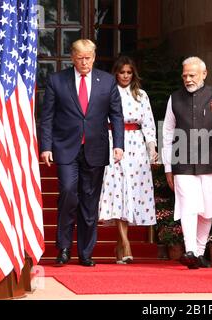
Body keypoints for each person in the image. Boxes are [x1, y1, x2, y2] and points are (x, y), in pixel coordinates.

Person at [40, 39, 124, 267]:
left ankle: (86, 252)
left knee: (89, 201)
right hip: (66, 147)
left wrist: (119, 144)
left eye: (89, 57)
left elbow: (116, 115)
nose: (85, 62)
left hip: (95, 149)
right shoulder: (57, 80)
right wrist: (46, 147)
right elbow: (46, 116)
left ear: (94, 57)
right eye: (80, 58)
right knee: (68, 193)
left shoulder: (107, 81)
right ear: (72, 57)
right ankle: (64, 248)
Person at [162, 56, 212, 269]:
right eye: (185, 75)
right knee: (188, 205)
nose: (188, 79)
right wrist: (168, 167)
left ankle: (199, 252)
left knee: (208, 208)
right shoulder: (174, 98)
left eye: (192, 75)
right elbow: (167, 132)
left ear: (204, 74)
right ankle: (190, 250)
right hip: (183, 161)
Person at [99, 56, 158, 264]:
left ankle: (120, 243)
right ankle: (126, 243)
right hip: (113, 142)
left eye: (129, 72)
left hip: (136, 145)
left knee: (131, 191)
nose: (125, 76)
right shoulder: (107, 91)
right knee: (117, 190)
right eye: (122, 72)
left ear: (133, 74)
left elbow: (149, 122)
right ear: (115, 73)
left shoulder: (141, 94)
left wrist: (152, 148)